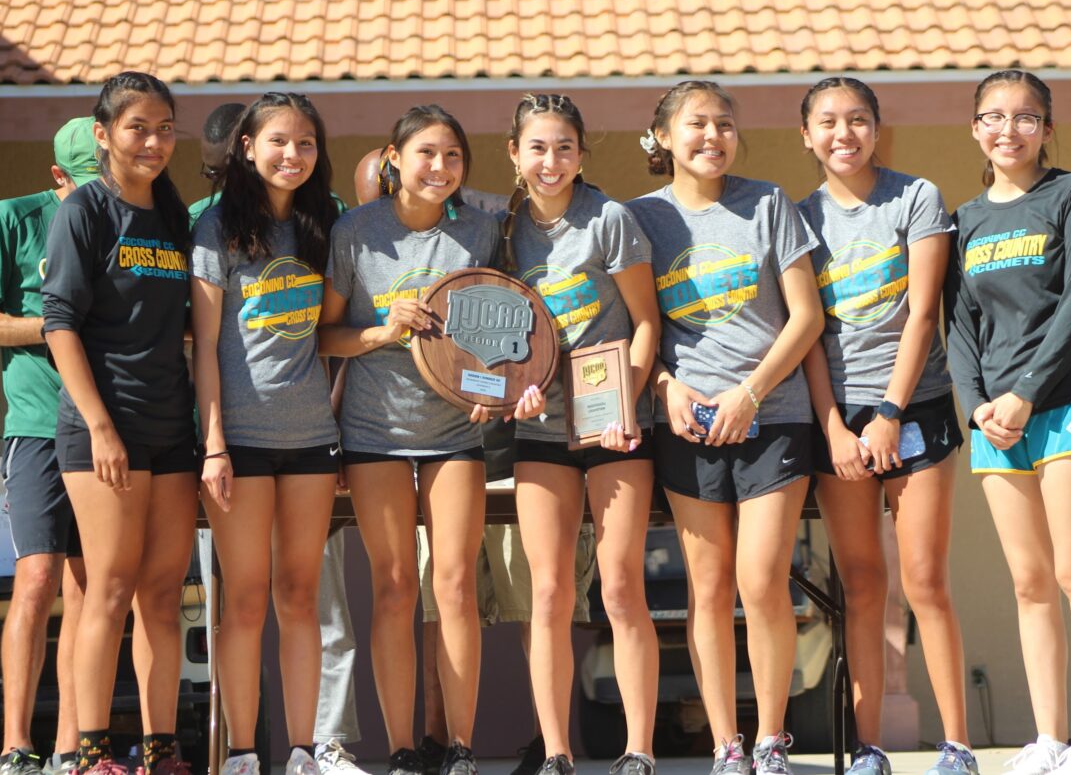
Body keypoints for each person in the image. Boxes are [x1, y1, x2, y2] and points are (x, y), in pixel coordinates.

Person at [318, 105, 542, 775]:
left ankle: (463, 748)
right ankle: (402, 749)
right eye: (425, 154)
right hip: (374, 431)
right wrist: (385, 330)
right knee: (392, 589)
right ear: (393, 157)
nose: (439, 167)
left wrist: (496, 391)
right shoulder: (354, 231)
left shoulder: (478, 231)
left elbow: (510, 330)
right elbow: (327, 337)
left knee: (453, 588)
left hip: (453, 434)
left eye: (451, 156)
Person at [628, 80, 824, 775]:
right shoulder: (637, 219)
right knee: (706, 589)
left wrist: (750, 392)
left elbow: (806, 317)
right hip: (684, 423)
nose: (711, 136)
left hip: (772, 417)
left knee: (763, 578)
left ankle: (769, 738)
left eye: (724, 124)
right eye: (696, 124)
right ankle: (725, 746)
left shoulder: (766, 202)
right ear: (662, 138)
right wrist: (664, 387)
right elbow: (630, 329)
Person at [946, 70, 1071, 775]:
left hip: (1067, 406)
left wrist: (1024, 391)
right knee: (1028, 582)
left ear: (1046, 129)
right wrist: (978, 405)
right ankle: (1048, 738)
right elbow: (957, 327)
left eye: (1026, 118)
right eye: (992, 117)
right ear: (974, 129)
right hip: (995, 421)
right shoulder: (965, 219)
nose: (1008, 130)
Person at [795, 77, 975, 775]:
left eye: (858, 120)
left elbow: (923, 313)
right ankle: (868, 748)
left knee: (925, 579)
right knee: (862, 585)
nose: (844, 133)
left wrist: (890, 414)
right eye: (829, 122)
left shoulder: (914, 196)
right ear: (807, 134)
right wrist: (835, 427)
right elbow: (807, 332)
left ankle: (955, 746)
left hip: (914, 411)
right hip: (838, 422)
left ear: (877, 128)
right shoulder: (796, 218)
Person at [41, 71, 197, 775]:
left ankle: (160, 748)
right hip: (103, 432)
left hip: (171, 431)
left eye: (165, 128)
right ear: (103, 135)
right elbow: (59, 324)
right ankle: (91, 753)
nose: (155, 142)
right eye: (139, 127)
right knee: (107, 586)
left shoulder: (175, 216)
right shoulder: (84, 212)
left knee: (164, 594)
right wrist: (101, 427)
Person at [500, 93, 660, 775]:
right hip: (540, 429)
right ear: (514, 153)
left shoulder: (610, 220)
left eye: (563, 147)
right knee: (549, 591)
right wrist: (515, 383)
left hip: (614, 424)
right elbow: (497, 336)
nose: (550, 160)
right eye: (537, 147)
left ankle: (638, 750)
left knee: (620, 585)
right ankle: (557, 752)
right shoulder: (503, 235)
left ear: (580, 153)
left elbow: (647, 321)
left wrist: (623, 400)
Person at [191, 92, 342, 775]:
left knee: (299, 595)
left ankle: (304, 749)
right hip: (241, 441)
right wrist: (215, 442)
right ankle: (247, 751)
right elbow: (205, 347)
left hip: (313, 437)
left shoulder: (325, 224)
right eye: (278, 141)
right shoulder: (215, 228)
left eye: (305, 142)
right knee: (246, 597)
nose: (293, 154)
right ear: (246, 147)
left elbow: (334, 332)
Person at [0, 116, 96, 775]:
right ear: (57, 179)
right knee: (38, 576)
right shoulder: (14, 217)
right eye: (89, 185)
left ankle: (72, 748)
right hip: (40, 426)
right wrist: (49, 327)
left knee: (87, 586)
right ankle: (17, 745)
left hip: (112, 427)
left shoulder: (131, 222)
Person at [189, 103, 247, 225]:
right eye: (214, 173)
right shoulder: (199, 216)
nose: (226, 182)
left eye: (233, 171)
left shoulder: (291, 211)